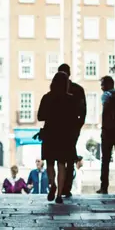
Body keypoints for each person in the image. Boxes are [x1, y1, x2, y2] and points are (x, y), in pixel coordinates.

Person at [37, 71, 84, 204]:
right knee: (62, 163)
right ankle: (59, 195)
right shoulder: (71, 99)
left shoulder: (47, 97)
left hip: (50, 133)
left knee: (50, 162)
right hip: (65, 135)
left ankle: (52, 185)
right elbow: (76, 118)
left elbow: (40, 116)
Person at [56, 64, 86, 198]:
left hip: (63, 128)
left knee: (62, 158)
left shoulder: (56, 91)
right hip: (72, 128)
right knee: (68, 157)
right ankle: (65, 186)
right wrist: (78, 125)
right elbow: (83, 110)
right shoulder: (78, 89)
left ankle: (63, 186)